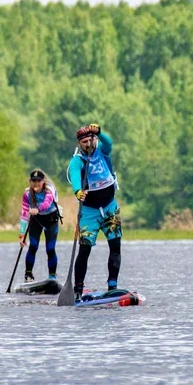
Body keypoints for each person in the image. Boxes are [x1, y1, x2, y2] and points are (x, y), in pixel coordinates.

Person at [68, 123, 123, 298]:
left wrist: (99, 132)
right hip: (89, 212)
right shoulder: (78, 160)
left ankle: (112, 285)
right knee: (84, 250)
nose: (87, 144)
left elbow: (110, 143)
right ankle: (77, 289)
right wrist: (77, 191)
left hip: (110, 208)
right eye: (83, 142)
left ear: (95, 140)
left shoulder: (103, 151)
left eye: (90, 140)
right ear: (79, 144)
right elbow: (75, 176)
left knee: (115, 246)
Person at [18, 168, 60, 282]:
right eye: (34, 181)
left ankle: (52, 277)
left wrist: (37, 209)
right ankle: (28, 275)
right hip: (35, 220)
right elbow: (24, 215)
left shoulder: (49, 190)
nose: (36, 183)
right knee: (33, 246)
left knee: (50, 248)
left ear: (43, 181)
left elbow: (47, 203)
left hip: (51, 220)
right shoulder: (27, 195)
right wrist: (22, 235)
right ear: (30, 181)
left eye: (39, 181)